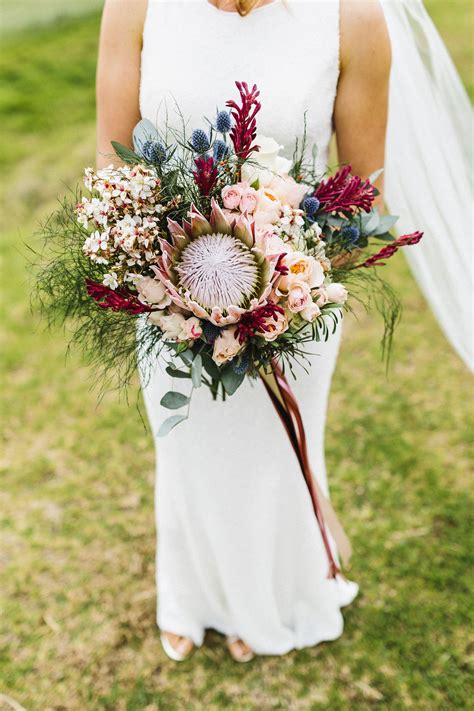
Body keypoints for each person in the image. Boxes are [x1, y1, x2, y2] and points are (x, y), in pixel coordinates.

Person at [96, 0, 472, 662]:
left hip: (291, 300)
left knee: (271, 452)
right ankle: (191, 593)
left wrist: (285, 281)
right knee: (186, 447)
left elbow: (363, 196)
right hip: (163, 290)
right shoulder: (135, 6)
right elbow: (113, 159)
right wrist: (146, 265)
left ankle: (269, 597)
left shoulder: (352, 20)